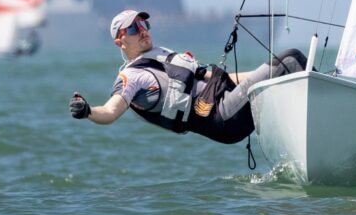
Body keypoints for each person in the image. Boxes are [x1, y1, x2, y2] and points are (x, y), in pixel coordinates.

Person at [69, 9, 307, 144]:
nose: (142, 30)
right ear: (120, 42)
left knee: (283, 70)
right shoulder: (133, 77)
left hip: (226, 99)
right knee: (291, 59)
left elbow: (215, 79)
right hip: (222, 118)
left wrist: (260, 75)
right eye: (132, 28)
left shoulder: (159, 54)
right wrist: (89, 111)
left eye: (144, 24)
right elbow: (110, 112)